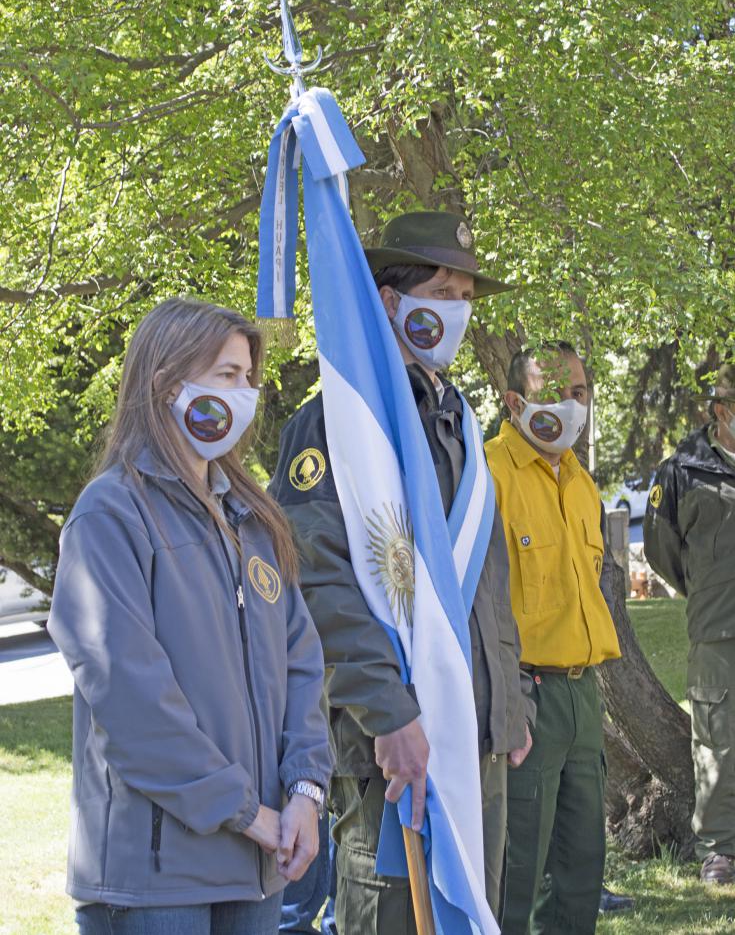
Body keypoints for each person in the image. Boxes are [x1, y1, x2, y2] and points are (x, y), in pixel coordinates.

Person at [269, 211, 535, 935]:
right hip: (395, 740)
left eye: (464, 296)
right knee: (394, 918)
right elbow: (315, 580)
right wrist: (387, 712)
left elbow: (485, 586)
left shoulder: (456, 420)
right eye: (440, 291)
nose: (456, 310)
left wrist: (511, 701)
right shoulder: (335, 422)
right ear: (390, 301)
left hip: (477, 737)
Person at [48, 297, 333, 935]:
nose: (244, 393)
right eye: (225, 376)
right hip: (155, 879)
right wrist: (246, 810)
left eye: (248, 378)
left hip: (257, 864)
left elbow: (302, 665)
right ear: (166, 383)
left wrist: (305, 793)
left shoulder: (253, 521)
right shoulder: (111, 515)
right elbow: (130, 698)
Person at [484, 342, 621, 935]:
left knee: (582, 863)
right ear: (515, 401)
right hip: (525, 693)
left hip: (583, 692)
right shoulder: (487, 473)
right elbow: (477, 600)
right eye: (551, 393)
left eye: (580, 393)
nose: (569, 405)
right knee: (517, 868)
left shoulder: (582, 484)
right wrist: (510, 697)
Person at [644, 363, 735, 884]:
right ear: (722, 412)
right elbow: (662, 550)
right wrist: (705, 587)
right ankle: (720, 850)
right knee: (718, 738)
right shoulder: (682, 470)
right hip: (717, 629)